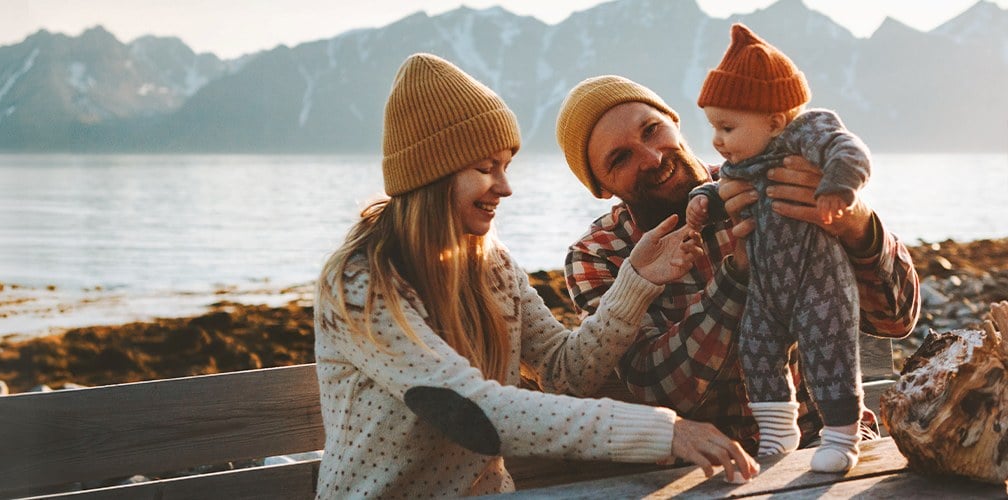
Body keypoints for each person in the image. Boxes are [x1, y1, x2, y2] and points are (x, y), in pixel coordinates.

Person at [314, 53, 758, 498]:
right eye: (485, 169)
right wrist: (668, 431)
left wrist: (636, 280)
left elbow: (566, 373)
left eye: (505, 166)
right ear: (432, 174)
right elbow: (470, 408)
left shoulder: (491, 265)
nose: (505, 188)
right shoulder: (362, 282)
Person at [552, 71, 920, 456]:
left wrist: (856, 224)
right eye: (620, 158)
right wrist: (738, 276)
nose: (653, 157)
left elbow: (897, 319)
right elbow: (657, 386)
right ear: (601, 187)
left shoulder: (775, 175)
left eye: (650, 130)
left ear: (674, 123)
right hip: (708, 468)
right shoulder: (598, 255)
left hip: (830, 443)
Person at [685, 23, 874, 472]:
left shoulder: (805, 134)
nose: (717, 140)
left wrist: (838, 188)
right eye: (713, 127)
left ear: (773, 120)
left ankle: (842, 437)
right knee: (756, 350)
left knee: (829, 352)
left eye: (727, 127)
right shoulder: (742, 164)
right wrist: (700, 201)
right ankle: (777, 430)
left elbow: (849, 150)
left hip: (818, 282)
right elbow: (719, 188)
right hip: (767, 291)